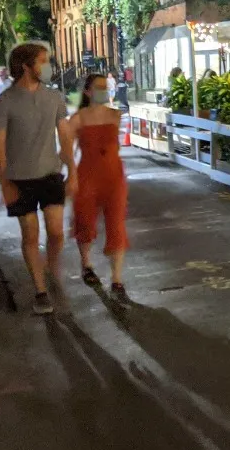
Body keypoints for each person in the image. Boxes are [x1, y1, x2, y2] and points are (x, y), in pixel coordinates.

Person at [0, 43, 77, 315]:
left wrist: (73, 171)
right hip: (20, 180)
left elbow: (64, 136)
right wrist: (4, 183)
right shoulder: (4, 102)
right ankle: (40, 291)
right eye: (42, 61)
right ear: (26, 66)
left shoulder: (54, 98)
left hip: (50, 175)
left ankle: (51, 270)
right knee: (30, 235)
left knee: (56, 233)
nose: (48, 66)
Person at [69, 74, 130, 303]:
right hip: (87, 176)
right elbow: (68, 151)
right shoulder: (77, 119)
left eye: (106, 87)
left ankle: (117, 279)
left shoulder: (115, 116)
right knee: (85, 221)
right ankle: (86, 263)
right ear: (87, 92)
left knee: (116, 225)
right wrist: (70, 176)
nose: (104, 91)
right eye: (99, 87)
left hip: (114, 176)